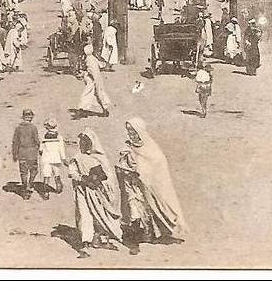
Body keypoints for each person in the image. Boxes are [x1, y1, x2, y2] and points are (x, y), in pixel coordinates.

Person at [116, 117, 187, 255]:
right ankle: (134, 243)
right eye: (128, 130)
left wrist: (145, 174)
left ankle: (154, 234)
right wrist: (127, 171)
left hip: (149, 187)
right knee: (134, 212)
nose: (130, 134)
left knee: (154, 208)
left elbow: (158, 163)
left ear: (140, 131)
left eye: (133, 131)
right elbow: (119, 166)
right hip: (132, 187)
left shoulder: (150, 148)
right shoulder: (126, 148)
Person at [68, 129, 123, 257]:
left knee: (99, 214)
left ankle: (98, 238)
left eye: (86, 142)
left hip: (97, 192)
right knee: (84, 214)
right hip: (82, 191)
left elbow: (108, 176)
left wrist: (98, 179)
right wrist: (83, 179)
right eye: (81, 142)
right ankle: (85, 242)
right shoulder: (76, 158)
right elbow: (72, 173)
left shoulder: (100, 158)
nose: (83, 145)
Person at [12, 109, 40, 200]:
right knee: (34, 170)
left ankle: (25, 189)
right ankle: (30, 184)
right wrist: (39, 147)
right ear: (31, 117)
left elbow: (15, 142)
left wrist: (14, 154)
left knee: (23, 172)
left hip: (22, 153)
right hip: (32, 153)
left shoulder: (18, 128)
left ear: (23, 117)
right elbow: (37, 140)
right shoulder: (33, 127)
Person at [77, 45, 112, 118]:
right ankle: (104, 109)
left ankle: (81, 109)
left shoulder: (89, 60)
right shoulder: (93, 58)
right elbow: (101, 65)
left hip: (92, 80)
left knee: (87, 94)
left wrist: (84, 73)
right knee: (99, 94)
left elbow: (91, 71)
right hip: (96, 79)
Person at [38, 119, 67, 197]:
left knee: (46, 175)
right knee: (57, 174)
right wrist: (63, 158)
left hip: (46, 159)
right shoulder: (59, 137)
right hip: (56, 159)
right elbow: (61, 149)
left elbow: (41, 149)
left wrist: (41, 152)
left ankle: (46, 193)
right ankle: (58, 188)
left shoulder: (44, 137)